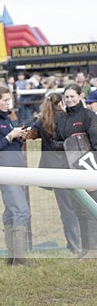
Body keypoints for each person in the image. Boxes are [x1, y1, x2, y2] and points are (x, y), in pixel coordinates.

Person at [0, 85, 32, 266]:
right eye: (5, 100)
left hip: (14, 169)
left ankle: (13, 257)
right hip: (4, 170)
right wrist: (10, 137)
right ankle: (19, 257)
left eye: (9, 100)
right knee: (21, 210)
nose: (8, 103)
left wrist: (18, 137)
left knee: (12, 211)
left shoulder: (6, 118)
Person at [26, 93, 81, 253]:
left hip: (54, 170)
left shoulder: (42, 121)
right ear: (60, 104)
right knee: (78, 206)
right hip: (71, 167)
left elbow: (31, 130)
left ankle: (74, 244)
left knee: (66, 209)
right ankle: (80, 243)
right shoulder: (67, 118)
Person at [55, 83, 97, 255]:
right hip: (71, 169)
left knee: (90, 209)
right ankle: (85, 248)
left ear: (80, 96)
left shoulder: (89, 116)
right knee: (79, 210)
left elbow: (95, 143)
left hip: (89, 169)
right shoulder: (62, 119)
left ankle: (94, 248)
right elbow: (55, 141)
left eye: (72, 96)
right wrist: (68, 144)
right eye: (66, 97)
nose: (69, 99)